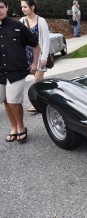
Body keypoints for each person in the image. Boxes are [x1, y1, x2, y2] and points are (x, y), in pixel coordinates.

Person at [0, 0, 40, 142]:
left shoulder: (18, 26)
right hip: (0, 73)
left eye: (1, 7)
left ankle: (21, 127)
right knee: (5, 101)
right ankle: (13, 127)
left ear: (7, 8)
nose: (0, 10)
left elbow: (35, 45)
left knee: (13, 101)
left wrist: (35, 64)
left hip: (16, 71)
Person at [20, 0, 50, 113]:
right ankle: (43, 101)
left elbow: (46, 40)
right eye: (22, 7)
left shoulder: (41, 21)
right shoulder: (22, 21)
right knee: (32, 80)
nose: (23, 9)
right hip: (26, 55)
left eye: (25, 7)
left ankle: (38, 104)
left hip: (39, 55)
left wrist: (44, 58)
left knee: (38, 79)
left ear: (32, 7)